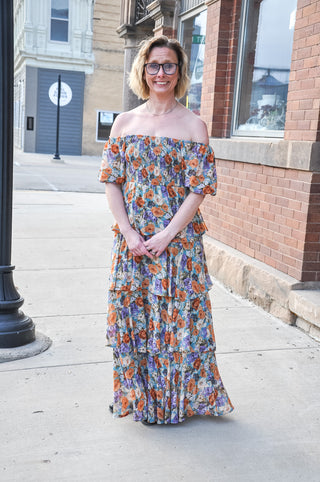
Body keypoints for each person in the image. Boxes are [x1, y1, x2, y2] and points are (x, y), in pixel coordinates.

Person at [99, 35, 233, 425]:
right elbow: (112, 181)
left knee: (177, 326)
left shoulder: (194, 125)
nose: (161, 73)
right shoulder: (124, 123)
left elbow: (199, 188)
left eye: (169, 65)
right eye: (154, 65)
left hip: (177, 246)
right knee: (131, 318)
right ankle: (139, 397)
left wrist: (166, 235)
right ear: (143, 70)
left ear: (180, 71)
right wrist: (128, 233)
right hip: (133, 245)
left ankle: (175, 401)